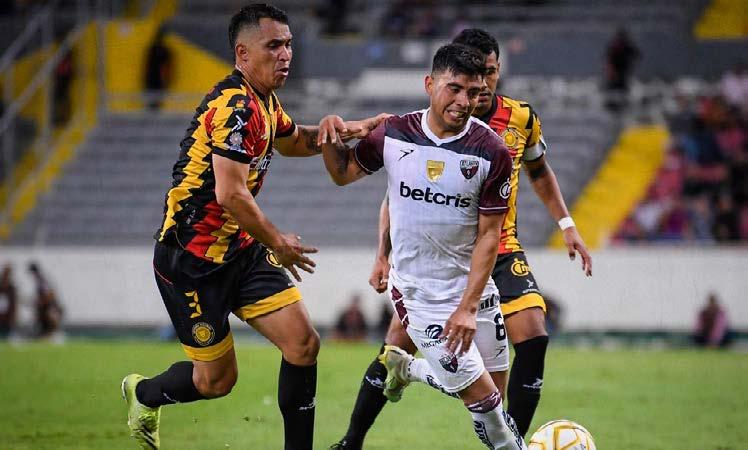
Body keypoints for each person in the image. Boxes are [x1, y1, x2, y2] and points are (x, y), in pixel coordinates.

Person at [120, 4, 384, 449]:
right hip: (192, 260)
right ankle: (143, 393)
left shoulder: (264, 101)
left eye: (289, 44)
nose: (286, 54)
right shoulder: (235, 108)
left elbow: (292, 140)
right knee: (216, 381)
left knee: (303, 344)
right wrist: (277, 241)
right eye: (274, 46)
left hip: (239, 249)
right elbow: (230, 194)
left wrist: (345, 130)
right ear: (243, 53)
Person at [332, 29, 592, 449]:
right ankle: (353, 438)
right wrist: (382, 254)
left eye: (488, 75)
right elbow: (394, 195)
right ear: (437, 82)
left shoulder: (512, 127)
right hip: (429, 270)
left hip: (497, 252)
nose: (480, 87)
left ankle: (496, 428)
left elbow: (539, 172)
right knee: (404, 351)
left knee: (530, 339)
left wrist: (566, 224)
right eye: (467, 81)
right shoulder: (408, 132)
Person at [321, 42, 525, 450]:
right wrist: (330, 133)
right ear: (430, 84)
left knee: (495, 403)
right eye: (454, 89)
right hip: (419, 295)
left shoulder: (492, 152)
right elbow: (344, 174)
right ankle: (410, 371)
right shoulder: (394, 134)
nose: (464, 101)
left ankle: (404, 367)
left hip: (473, 291)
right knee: (486, 405)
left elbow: (490, 235)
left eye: (473, 92)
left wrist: (468, 307)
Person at [29, 262, 64, 339]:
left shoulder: (42, 281)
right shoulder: (40, 281)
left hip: (49, 308)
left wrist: (42, 302)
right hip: (46, 308)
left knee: (49, 321)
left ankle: (53, 335)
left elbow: (51, 294)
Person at [143, 25, 174, 111]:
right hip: (157, 79)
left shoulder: (154, 50)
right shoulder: (163, 51)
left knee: (153, 100)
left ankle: (152, 109)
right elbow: (167, 68)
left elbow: (148, 67)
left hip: (153, 79)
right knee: (155, 100)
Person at [0, 264, 17, 338]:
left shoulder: (11, 289)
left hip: (7, 318)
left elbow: (14, 304)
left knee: (6, 336)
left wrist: (13, 317)